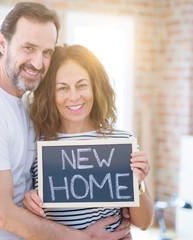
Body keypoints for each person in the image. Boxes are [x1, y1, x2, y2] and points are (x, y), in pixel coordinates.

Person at [0, 2, 132, 239]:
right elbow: (0, 213)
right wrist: (86, 238)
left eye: (47, 52)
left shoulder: (26, 106)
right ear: (2, 43)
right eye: (28, 48)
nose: (37, 62)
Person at [23, 44, 155, 232]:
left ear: (95, 87)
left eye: (82, 85)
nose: (74, 96)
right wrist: (29, 202)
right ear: (50, 94)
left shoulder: (121, 141)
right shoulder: (36, 145)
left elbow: (145, 222)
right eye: (62, 88)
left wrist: (137, 184)